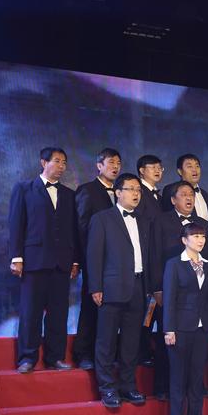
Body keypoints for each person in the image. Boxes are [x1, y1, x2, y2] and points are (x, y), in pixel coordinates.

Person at [7, 147, 79, 373]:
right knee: (31, 312)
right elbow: (16, 225)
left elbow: (73, 230)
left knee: (59, 313)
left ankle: (55, 357)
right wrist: (17, 257)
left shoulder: (69, 194)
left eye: (64, 162)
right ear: (43, 162)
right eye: (57, 161)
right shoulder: (24, 189)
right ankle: (27, 358)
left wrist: (75, 261)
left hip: (61, 263)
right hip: (34, 261)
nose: (61, 166)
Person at [86, 174, 151, 409]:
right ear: (118, 193)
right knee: (106, 341)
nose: (136, 194)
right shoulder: (102, 219)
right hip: (111, 288)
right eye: (131, 189)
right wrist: (96, 287)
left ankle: (128, 386)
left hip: (138, 287)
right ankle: (107, 388)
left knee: (131, 342)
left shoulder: (144, 220)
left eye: (138, 190)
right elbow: (94, 255)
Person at [162, 223, 208, 415]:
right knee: (179, 379)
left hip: (202, 329)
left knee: (197, 380)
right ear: (184, 240)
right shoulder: (174, 264)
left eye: (202, 236)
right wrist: (169, 329)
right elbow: (169, 298)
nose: (200, 240)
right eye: (195, 236)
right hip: (180, 328)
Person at [74, 147, 121, 370]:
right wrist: (86, 260)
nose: (115, 167)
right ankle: (83, 353)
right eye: (110, 162)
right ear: (99, 166)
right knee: (90, 306)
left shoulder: (122, 191)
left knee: (111, 310)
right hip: (95, 260)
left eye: (118, 163)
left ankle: (106, 353)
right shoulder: (87, 190)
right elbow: (81, 228)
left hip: (117, 263)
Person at [134, 154, 164, 372]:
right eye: (152, 167)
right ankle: (140, 351)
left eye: (160, 167)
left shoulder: (160, 197)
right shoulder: (139, 194)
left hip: (158, 260)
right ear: (141, 171)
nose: (158, 170)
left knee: (153, 311)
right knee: (145, 311)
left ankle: (147, 349)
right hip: (144, 262)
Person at [162, 154, 208, 221]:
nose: (194, 170)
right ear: (180, 171)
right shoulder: (170, 189)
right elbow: (167, 218)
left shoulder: (205, 195)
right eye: (189, 166)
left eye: (197, 166)